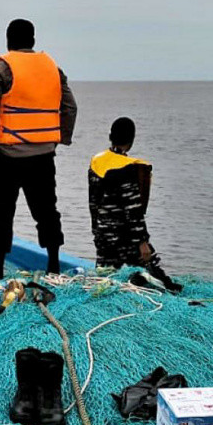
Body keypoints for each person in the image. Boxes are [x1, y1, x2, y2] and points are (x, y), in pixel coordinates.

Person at [0, 19, 77, 281]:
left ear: (8, 41)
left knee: (1, 213)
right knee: (47, 211)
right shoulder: (52, 68)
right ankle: (53, 266)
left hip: (8, 156)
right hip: (43, 156)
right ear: (32, 40)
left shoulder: (3, 66)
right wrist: (59, 139)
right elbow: (70, 107)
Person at [88, 117, 182, 293]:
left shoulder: (96, 162)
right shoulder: (127, 169)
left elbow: (93, 202)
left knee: (103, 275)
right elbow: (133, 210)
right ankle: (169, 292)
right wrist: (142, 242)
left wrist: (97, 231)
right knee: (153, 272)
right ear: (131, 140)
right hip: (125, 237)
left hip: (103, 234)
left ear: (110, 136)